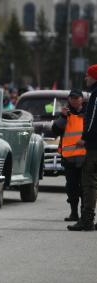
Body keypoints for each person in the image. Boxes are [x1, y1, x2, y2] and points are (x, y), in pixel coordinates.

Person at [68, 64, 97, 231]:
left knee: (89, 183)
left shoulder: (95, 95)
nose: (86, 78)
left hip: (94, 147)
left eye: (88, 75)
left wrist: (85, 138)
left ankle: (87, 220)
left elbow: (92, 119)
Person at [52, 89, 86, 222]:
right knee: (71, 187)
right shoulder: (65, 114)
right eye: (72, 98)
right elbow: (55, 130)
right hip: (69, 157)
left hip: (85, 157)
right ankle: (73, 213)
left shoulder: (88, 114)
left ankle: (85, 213)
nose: (74, 100)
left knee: (85, 187)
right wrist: (63, 116)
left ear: (81, 99)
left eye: (76, 98)